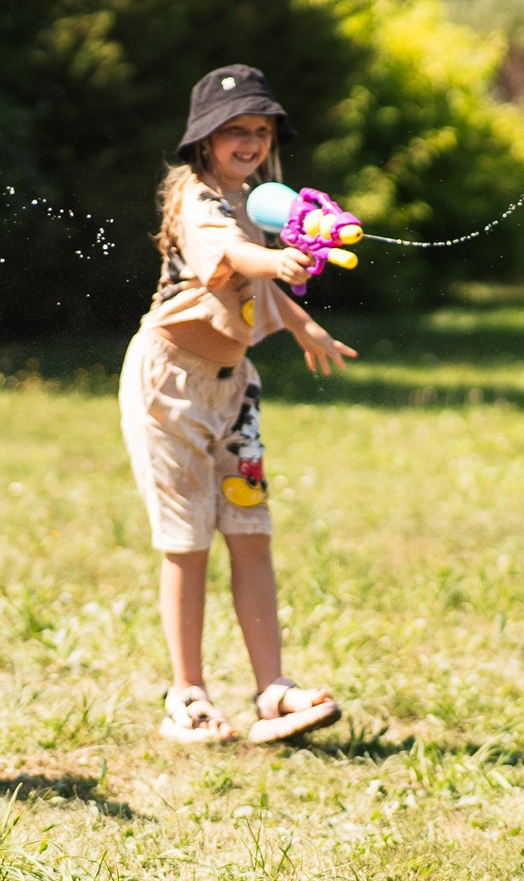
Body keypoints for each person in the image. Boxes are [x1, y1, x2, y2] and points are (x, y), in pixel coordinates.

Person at [122, 65, 355, 745]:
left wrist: (303, 322)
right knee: (187, 543)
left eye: (261, 130)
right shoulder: (195, 199)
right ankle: (187, 695)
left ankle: (272, 690)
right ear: (204, 141)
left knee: (252, 537)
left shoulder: (256, 200)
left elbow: (258, 270)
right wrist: (276, 263)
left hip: (233, 391)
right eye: (235, 131)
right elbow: (224, 255)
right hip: (169, 389)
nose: (250, 141)